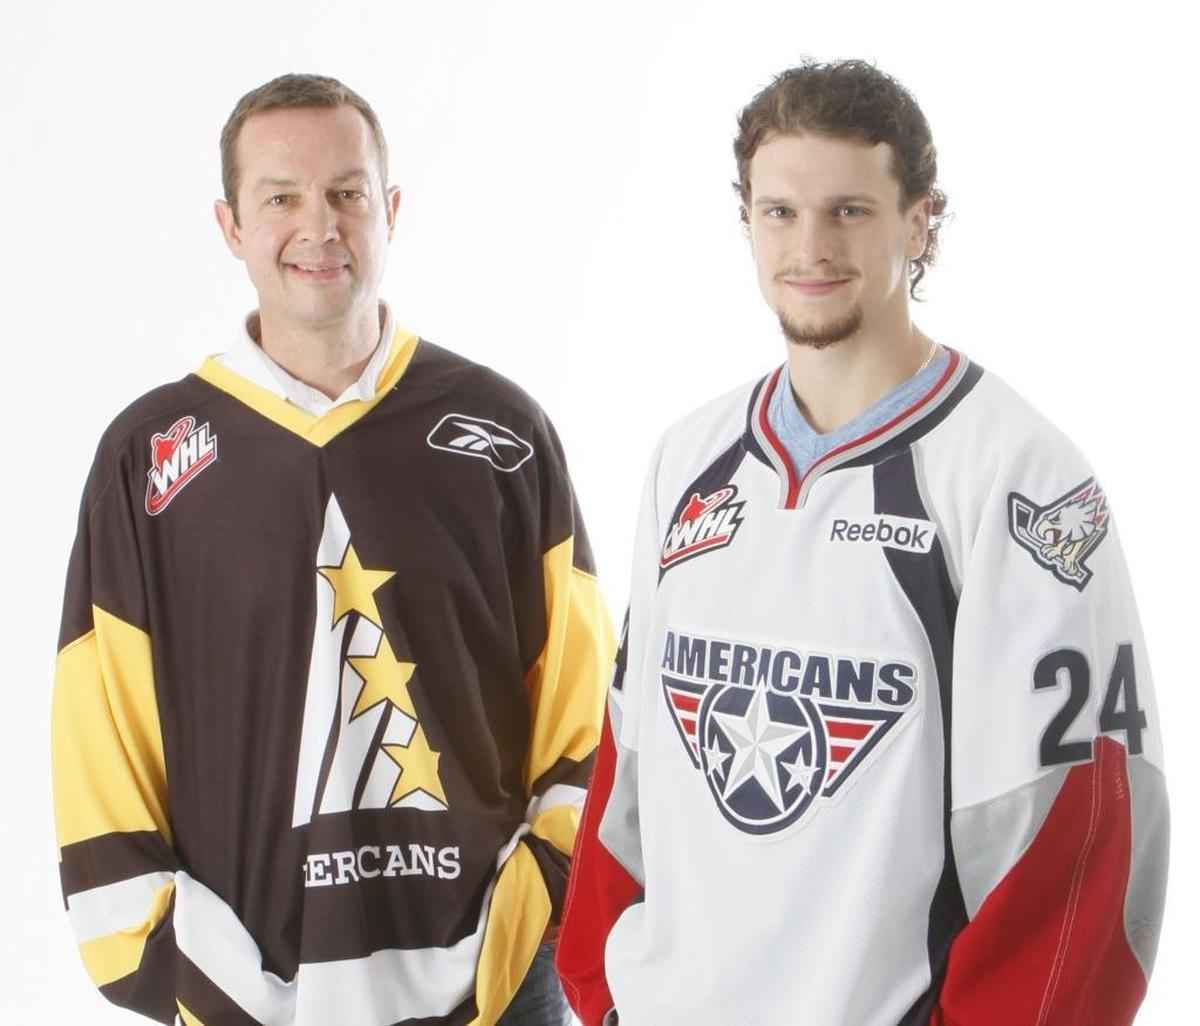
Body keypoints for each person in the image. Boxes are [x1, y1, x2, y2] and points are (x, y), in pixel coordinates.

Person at [557, 59, 1168, 1026]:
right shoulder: (690, 459)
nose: (811, 246)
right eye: (780, 212)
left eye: (850, 210)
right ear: (747, 220)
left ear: (919, 221)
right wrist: (602, 989)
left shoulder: (1019, 478)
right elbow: (629, 763)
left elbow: (1078, 841)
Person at [51, 73, 612, 1026]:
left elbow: (585, 718)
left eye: (348, 193)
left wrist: (530, 921)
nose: (320, 227)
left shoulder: (502, 432)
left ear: (389, 212)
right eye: (282, 197)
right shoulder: (149, 459)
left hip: (496, 991)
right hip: (240, 999)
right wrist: (183, 968)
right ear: (231, 226)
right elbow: (100, 746)